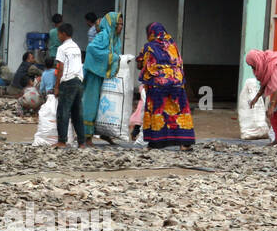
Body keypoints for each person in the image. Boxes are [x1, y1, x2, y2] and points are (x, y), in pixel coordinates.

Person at [135, 22, 194, 150]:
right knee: (179, 112)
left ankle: (155, 142)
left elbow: (139, 64)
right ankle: (185, 143)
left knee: (157, 112)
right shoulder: (173, 45)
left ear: (151, 34)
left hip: (158, 85)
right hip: (177, 84)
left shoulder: (149, 46)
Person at [82, 11, 123, 140]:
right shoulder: (103, 36)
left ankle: (102, 132)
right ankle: (86, 136)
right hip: (95, 73)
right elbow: (91, 49)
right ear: (113, 24)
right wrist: (113, 57)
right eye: (119, 24)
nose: (121, 27)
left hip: (104, 73)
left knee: (105, 104)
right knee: (91, 103)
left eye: (122, 24)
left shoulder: (115, 39)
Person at [52, 22, 85, 147]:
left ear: (63, 34)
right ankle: (81, 142)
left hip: (68, 81)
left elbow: (60, 67)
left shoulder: (62, 48)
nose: (58, 36)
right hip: (79, 80)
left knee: (63, 111)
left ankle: (62, 141)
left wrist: (56, 87)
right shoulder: (76, 46)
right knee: (77, 112)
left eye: (59, 34)